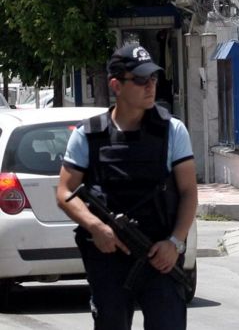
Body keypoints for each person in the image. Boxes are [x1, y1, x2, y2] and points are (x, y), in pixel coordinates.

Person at [56, 43, 198, 330]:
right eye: (141, 80)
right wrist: (96, 228)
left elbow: (188, 192)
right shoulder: (89, 134)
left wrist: (175, 243)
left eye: (154, 79)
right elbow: (65, 193)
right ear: (116, 85)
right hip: (109, 256)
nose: (151, 86)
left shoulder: (172, 130)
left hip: (160, 253)